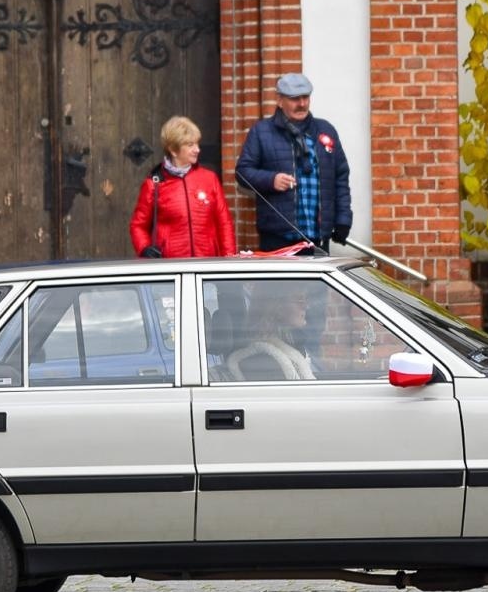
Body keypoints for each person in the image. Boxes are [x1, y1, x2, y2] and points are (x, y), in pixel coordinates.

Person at [235, 73, 352, 253]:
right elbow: (243, 172)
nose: (302, 104)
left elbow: (340, 177)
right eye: (294, 99)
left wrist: (343, 219)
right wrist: (271, 180)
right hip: (277, 238)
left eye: (305, 97)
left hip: (318, 237)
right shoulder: (261, 131)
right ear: (280, 101)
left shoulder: (326, 130)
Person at [129, 115, 235, 258]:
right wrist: (144, 248)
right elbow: (138, 225)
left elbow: (224, 224)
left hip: (207, 266)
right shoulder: (154, 183)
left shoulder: (210, 179)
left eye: (197, 144)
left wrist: (228, 260)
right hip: (171, 269)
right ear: (173, 150)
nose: (197, 149)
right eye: (190, 145)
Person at [225, 283, 315, 381]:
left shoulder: (290, 349)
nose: (306, 306)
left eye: (306, 299)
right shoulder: (266, 361)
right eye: (299, 299)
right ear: (277, 307)